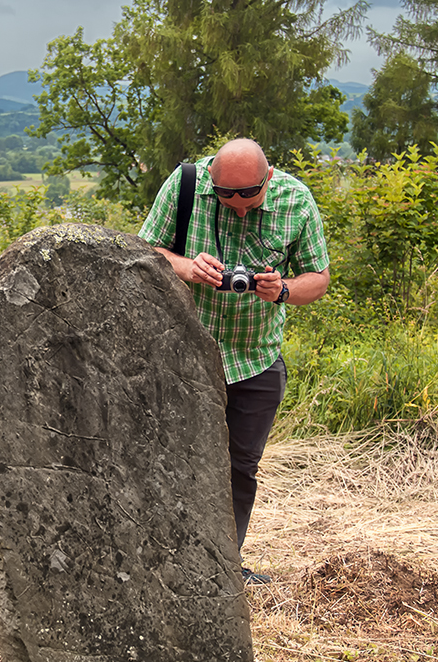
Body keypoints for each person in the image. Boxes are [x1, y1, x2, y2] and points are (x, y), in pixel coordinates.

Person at [138, 138, 330, 584]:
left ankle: (222, 566)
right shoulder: (185, 185)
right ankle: (161, 562)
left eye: (250, 195)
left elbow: (317, 280)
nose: (239, 206)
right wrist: (186, 268)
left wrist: (282, 290)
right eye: (227, 196)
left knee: (239, 468)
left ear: (268, 178)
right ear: (211, 180)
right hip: (182, 354)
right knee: (171, 458)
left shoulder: (295, 200)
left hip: (256, 358)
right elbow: (143, 253)